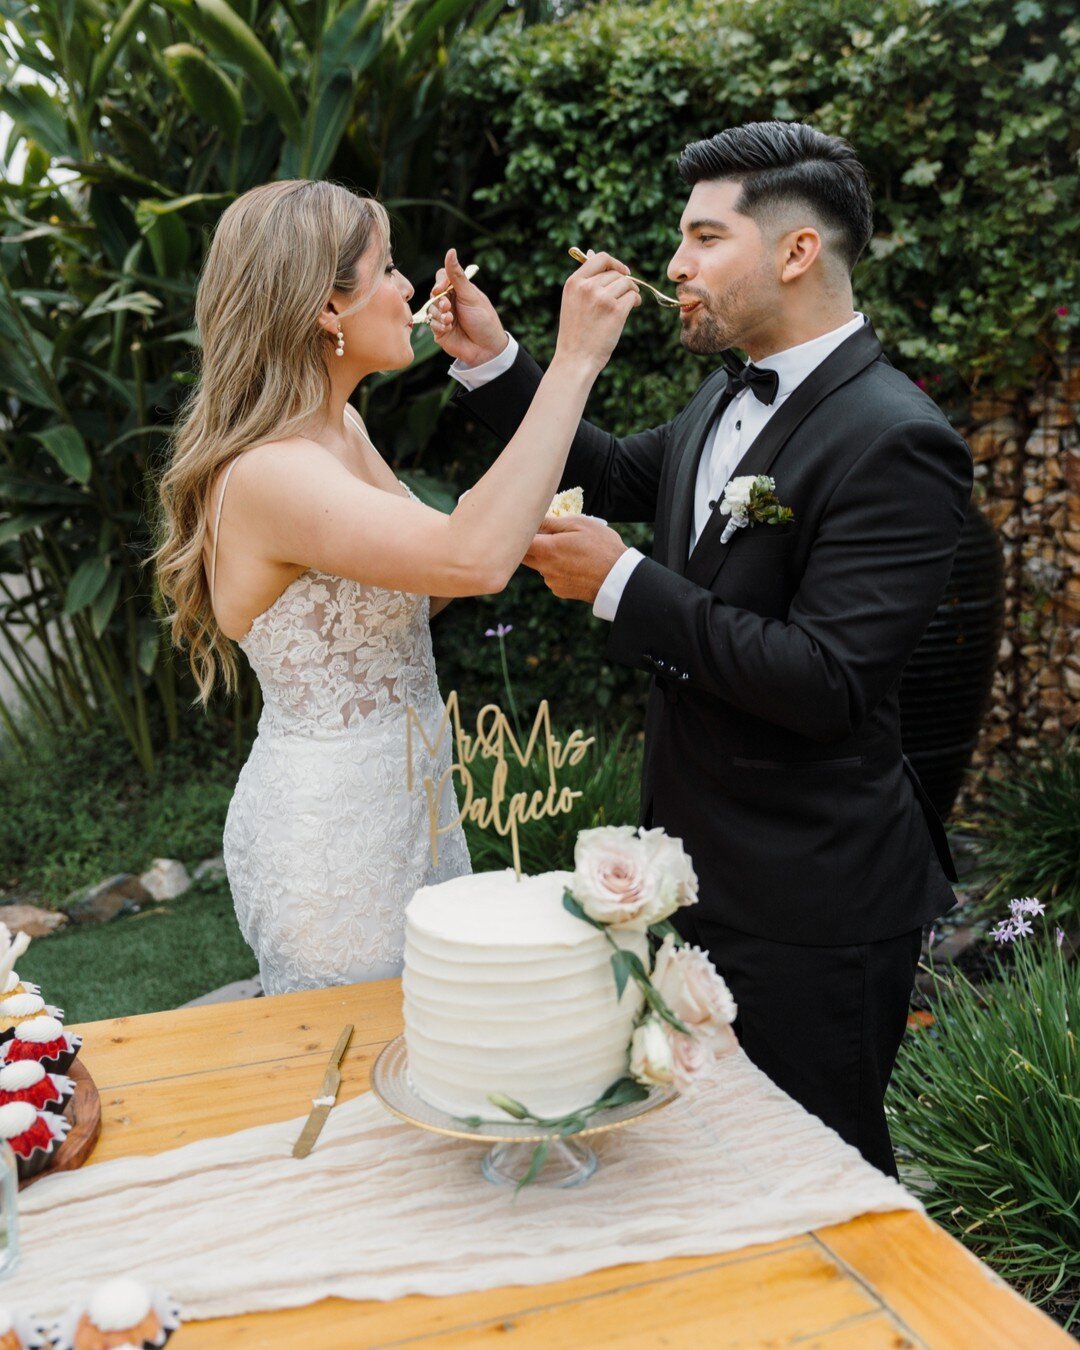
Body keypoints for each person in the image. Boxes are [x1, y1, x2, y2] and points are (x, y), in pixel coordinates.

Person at [432, 123, 973, 1176]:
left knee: (818, 1168)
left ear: (796, 252)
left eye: (702, 238)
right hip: (698, 873)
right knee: (716, 1160)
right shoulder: (728, 388)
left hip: (813, 899)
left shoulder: (896, 437)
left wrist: (620, 582)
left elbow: (827, 682)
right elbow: (608, 469)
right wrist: (494, 362)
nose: (674, 265)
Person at [154, 179, 640, 994]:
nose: (410, 289)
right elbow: (468, 557)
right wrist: (575, 359)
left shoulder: (341, 426)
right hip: (332, 842)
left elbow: (434, 580)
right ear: (324, 309)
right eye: (386, 271)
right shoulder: (273, 472)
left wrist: (518, 525)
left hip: (414, 797)